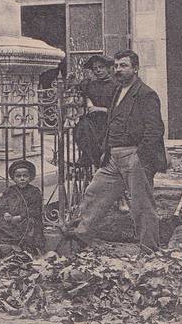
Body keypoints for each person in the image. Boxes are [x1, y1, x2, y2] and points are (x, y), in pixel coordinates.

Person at [66, 50, 166, 252]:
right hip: (113, 156)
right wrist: (106, 149)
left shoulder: (146, 94)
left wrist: (139, 157)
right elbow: (111, 123)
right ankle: (79, 238)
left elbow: (155, 130)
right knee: (94, 193)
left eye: (124, 66)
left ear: (135, 69)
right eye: (117, 66)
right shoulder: (118, 91)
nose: (119, 70)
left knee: (141, 205)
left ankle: (149, 250)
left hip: (134, 156)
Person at [74, 55, 117, 168]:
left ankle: (97, 162)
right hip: (93, 119)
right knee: (81, 129)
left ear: (108, 69)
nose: (98, 70)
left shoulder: (116, 86)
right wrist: (88, 102)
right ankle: (89, 158)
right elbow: (85, 96)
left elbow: (119, 108)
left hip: (108, 119)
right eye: (95, 68)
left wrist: (99, 109)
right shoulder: (90, 84)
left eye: (101, 67)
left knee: (103, 137)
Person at [0, 159, 45, 255]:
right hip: (11, 220)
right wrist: (5, 213)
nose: (22, 179)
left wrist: (20, 217)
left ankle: (27, 250)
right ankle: (7, 248)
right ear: (13, 178)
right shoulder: (10, 190)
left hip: (26, 219)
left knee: (29, 225)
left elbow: (35, 209)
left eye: (25, 176)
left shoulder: (34, 191)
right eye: (18, 176)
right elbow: (0, 203)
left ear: (30, 177)